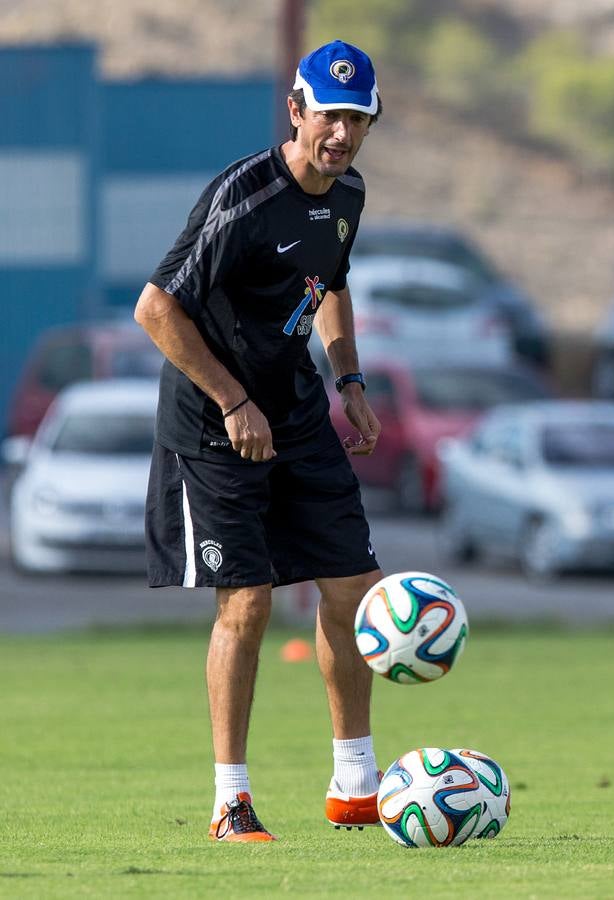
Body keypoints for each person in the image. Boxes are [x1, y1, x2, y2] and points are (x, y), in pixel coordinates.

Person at [135, 40, 386, 842]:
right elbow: (155, 309)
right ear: (296, 109)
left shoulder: (347, 195)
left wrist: (349, 381)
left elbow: (333, 283)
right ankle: (230, 801)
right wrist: (235, 399)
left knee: (354, 590)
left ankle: (355, 783)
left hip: (299, 410)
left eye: (357, 118)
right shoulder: (242, 197)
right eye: (329, 115)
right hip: (215, 423)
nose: (341, 134)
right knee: (246, 603)